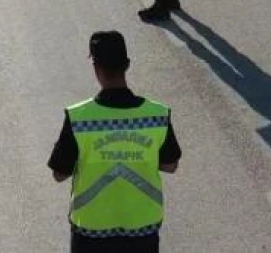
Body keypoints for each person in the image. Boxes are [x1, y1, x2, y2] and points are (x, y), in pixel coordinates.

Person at [48, 31, 182, 252]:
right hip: (142, 227)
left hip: (91, 230)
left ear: (95, 67)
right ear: (127, 65)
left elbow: (59, 174)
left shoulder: (79, 118)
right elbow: (170, 165)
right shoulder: (157, 115)